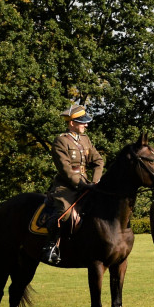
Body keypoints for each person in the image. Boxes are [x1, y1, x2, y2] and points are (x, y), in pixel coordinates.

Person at [42, 104, 105, 265]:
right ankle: (51, 246)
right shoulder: (60, 141)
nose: (86, 124)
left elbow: (98, 161)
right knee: (65, 213)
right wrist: (84, 185)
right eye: (82, 122)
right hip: (66, 186)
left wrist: (95, 181)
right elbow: (66, 170)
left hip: (88, 183)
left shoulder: (85, 139)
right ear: (72, 123)